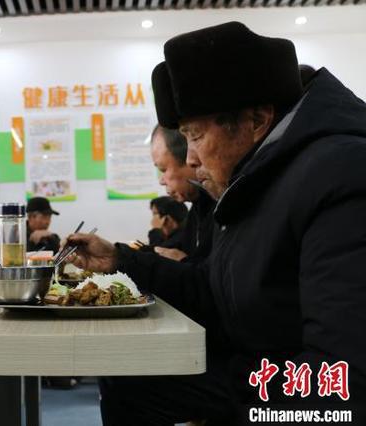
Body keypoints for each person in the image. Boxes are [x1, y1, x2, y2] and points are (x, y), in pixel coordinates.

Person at [68, 21, 366, 425]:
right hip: (258, 370)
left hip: (307, 389)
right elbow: (216, 293)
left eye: (195, 136)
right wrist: (120, 260)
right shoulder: (256, 177)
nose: (189, 160)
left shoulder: (341, 174)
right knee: (127, 373)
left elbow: (344, 383)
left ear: (257, 120)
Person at [150, 124, 215, 263]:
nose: (162, 181)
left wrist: (184, 262)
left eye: (163, 169)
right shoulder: (196, 211)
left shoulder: (220, 211)